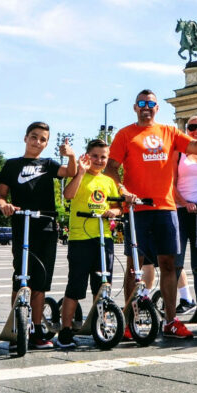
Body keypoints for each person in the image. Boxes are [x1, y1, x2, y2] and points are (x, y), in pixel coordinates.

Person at [106, 90, 197, 338]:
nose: (147, 107)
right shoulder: (125, 134)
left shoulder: (169, 131)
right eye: (142, 104)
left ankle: (170, 321)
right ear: (135, 108)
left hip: (165, 208)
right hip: (137, 209)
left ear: (157, 108)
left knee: (169, 264)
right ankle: (129, 320)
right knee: (136, 266)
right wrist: (122, 189)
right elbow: (112, 167)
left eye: (151, 104)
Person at [0, 122, 76, 350]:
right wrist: (5, 206)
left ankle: (37, 327)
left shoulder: (48, 164)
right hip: (22, 224)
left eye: (42, 139)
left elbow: (70, 172)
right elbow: (0, 196)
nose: (37, 142)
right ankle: (15, 327)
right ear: (25, 138)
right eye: (34, 137)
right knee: (21, 275)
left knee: (41, 279)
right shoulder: (11, 165)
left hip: (46, 225)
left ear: (47, 143)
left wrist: (70, 156)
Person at [57, 139, 122, 349]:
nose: (99, 160)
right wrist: (81, 173)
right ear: (88, 156)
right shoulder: (80, 175)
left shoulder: (108, 181)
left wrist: (115, 211)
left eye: (103, 157)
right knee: (76, 285)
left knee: (102, 285)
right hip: (80, 238)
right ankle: (66, 330)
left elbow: (117, 206)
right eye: (95, 156)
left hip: (104, 239)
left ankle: (99, 325)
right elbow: (68, 195)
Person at [172, 113, 197, 312]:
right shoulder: (178, 153)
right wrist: (184, 202)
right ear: (186, 129)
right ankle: (171, 314)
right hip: (180, 211)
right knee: (175, 264)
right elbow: (170, 185)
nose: (196, 131)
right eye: (192, 127)